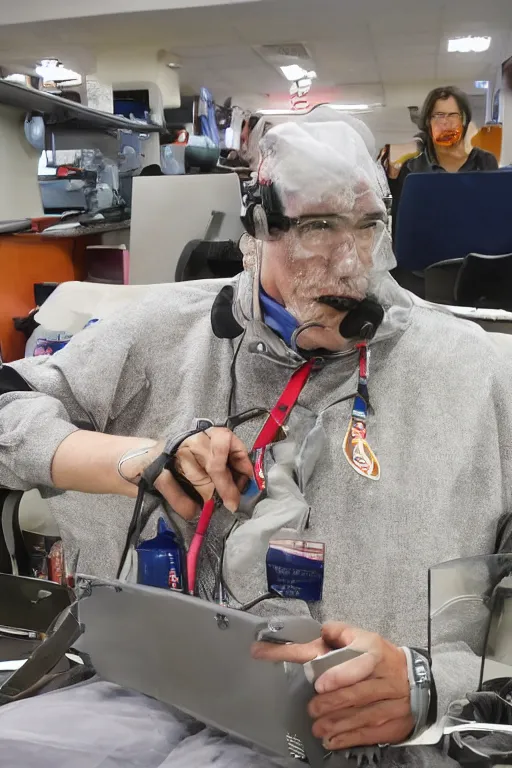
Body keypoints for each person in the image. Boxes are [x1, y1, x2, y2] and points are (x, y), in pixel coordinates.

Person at [0, 114, 511, 768]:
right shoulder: (166, 336)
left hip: (369, 735)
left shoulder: (481, 374)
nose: (349, 261)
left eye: (366, 225)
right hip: (153, 690)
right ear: (258, 227)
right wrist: (135, 461)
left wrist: (436, 683)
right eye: (316, 227)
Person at [391, 85, 499, 239]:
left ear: (463, 120)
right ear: (428, 121)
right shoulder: (412, 169)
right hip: (429, 255)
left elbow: (495, 218)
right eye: (439, 115)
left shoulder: (484, 162)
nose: (446, 123)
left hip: (476, 253)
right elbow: (401, 229)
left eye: (453, 115)